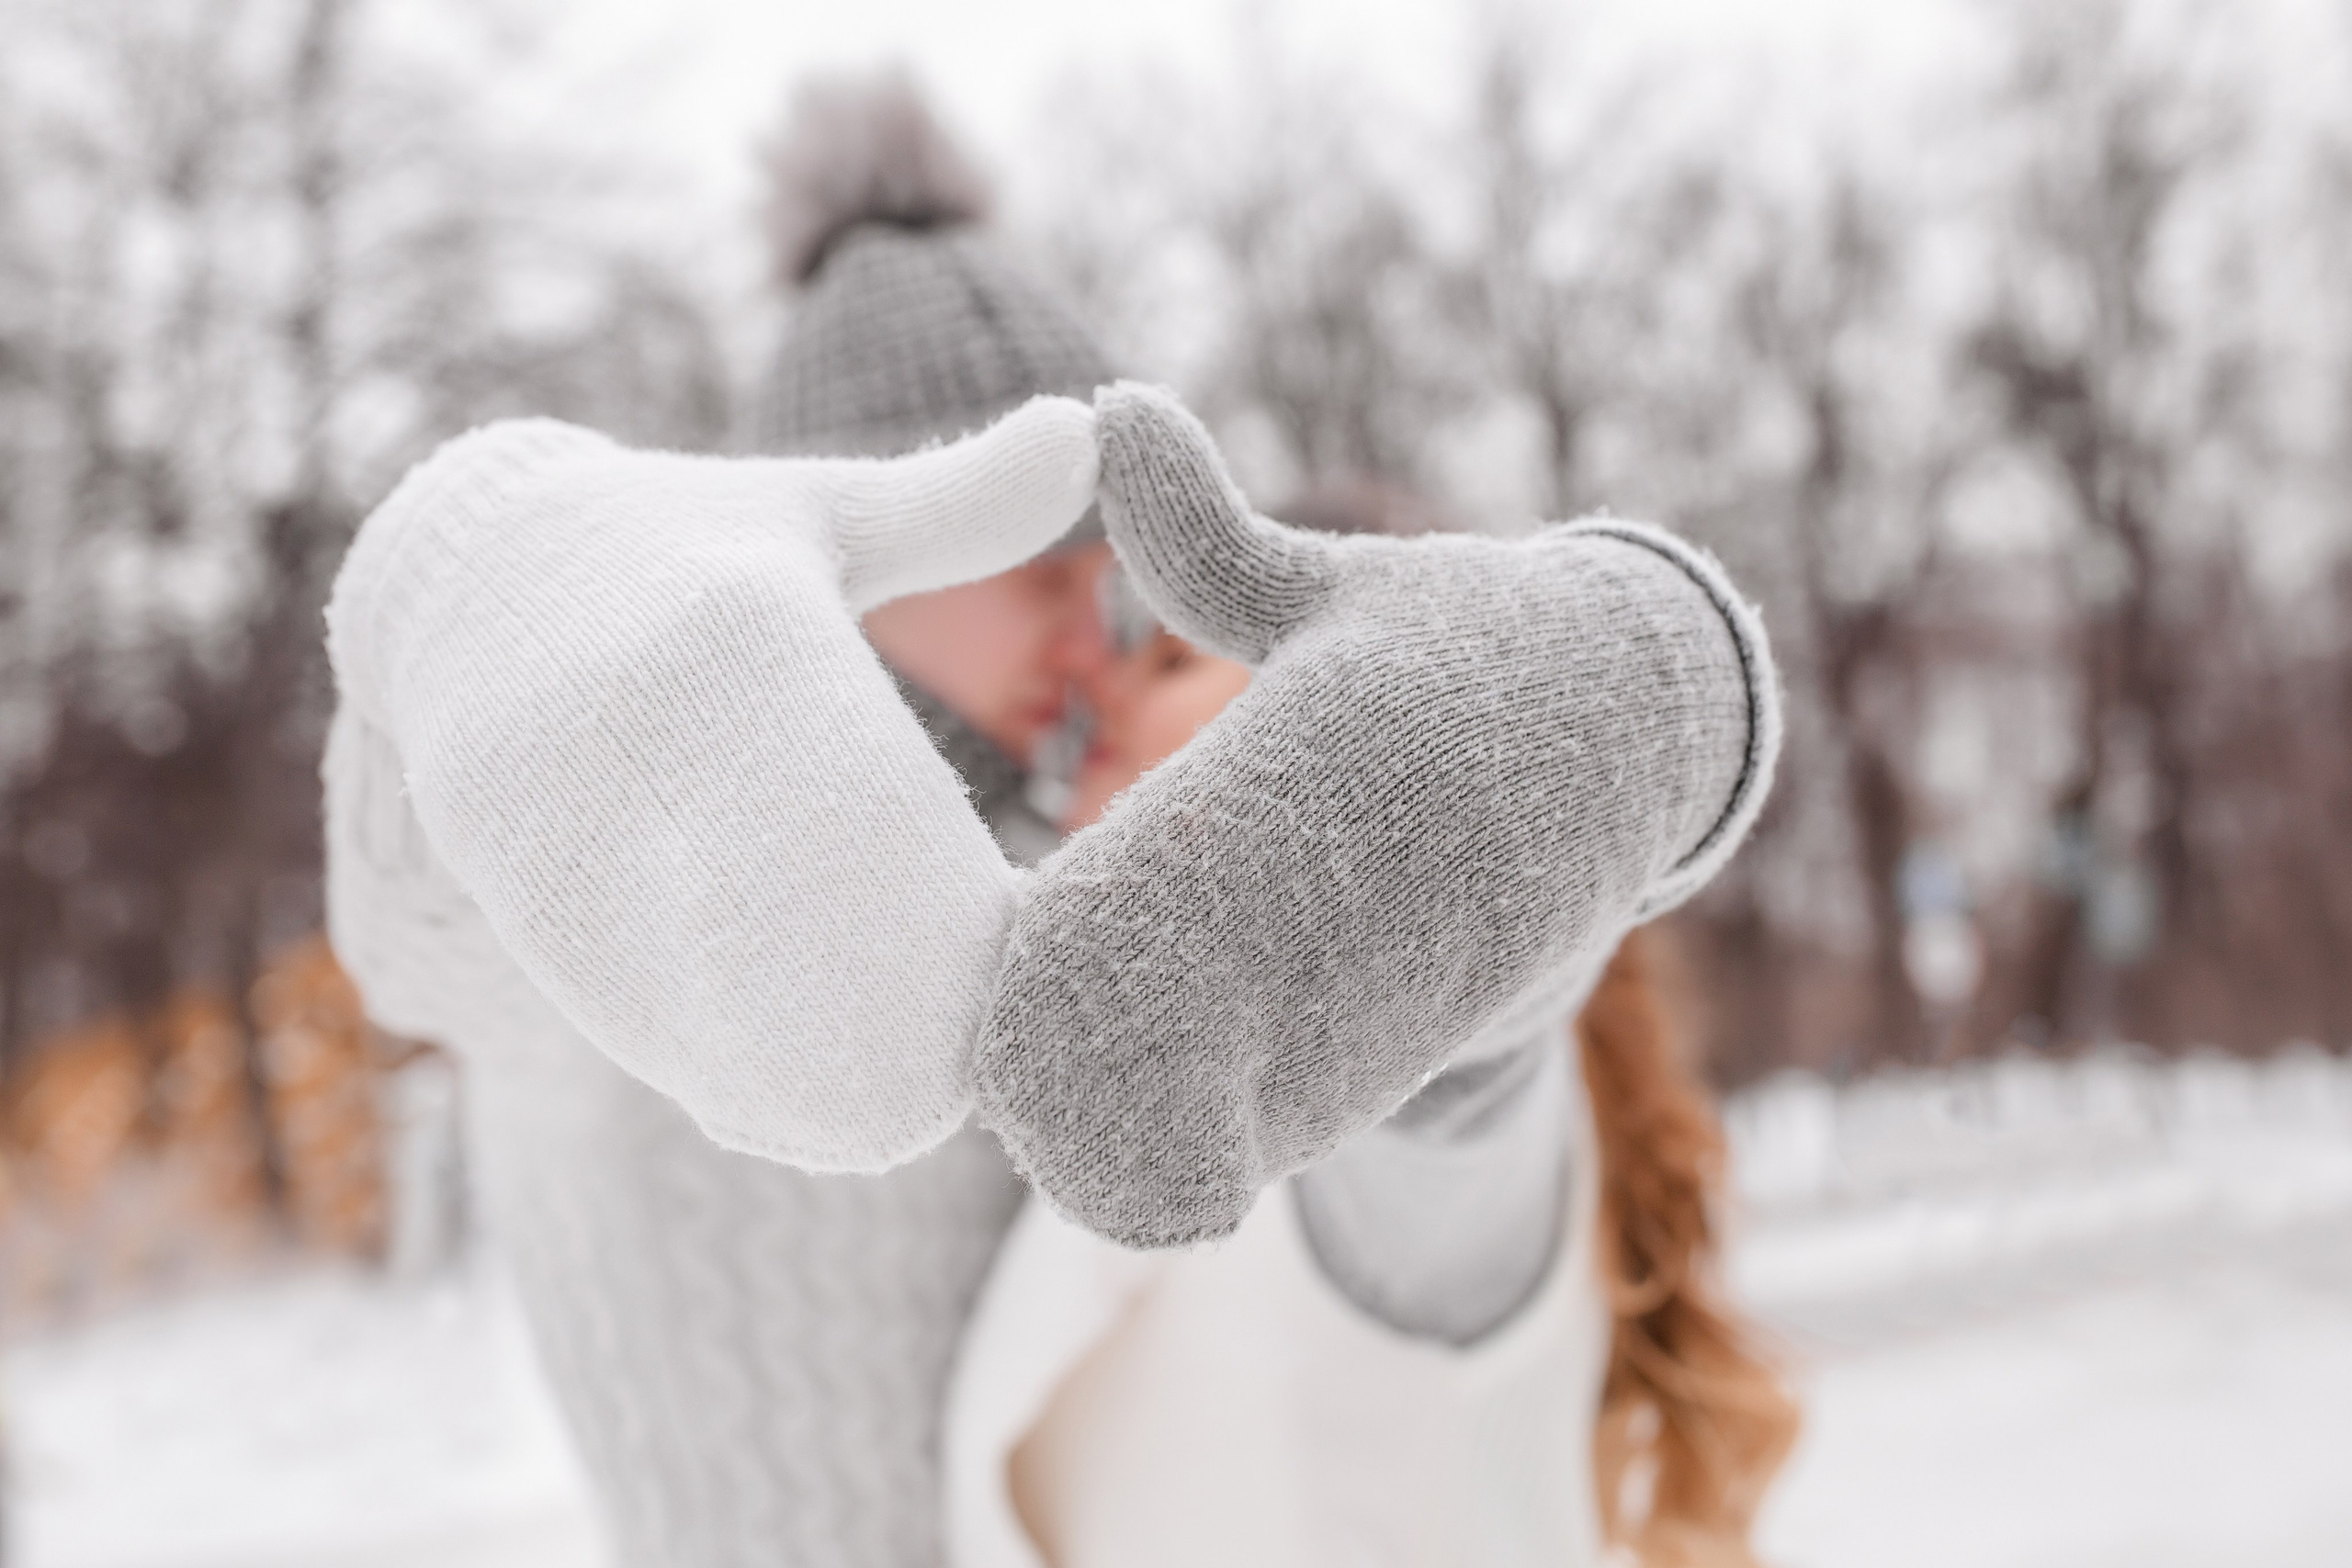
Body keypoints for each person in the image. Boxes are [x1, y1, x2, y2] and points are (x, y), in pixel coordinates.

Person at [322, 74, 1787, 1568]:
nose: (1093, 645)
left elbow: (1458, 1096)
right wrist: (444, 584)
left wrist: (1618, 700)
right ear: (874, 523)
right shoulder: (635, 878)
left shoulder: (1137, 970)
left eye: (1133, 610)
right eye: (1048, 568)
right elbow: (420, 940)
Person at [956, 487, 1796, 1568]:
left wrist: (1531, 747)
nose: (1103, 708)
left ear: (1368, 703)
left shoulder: (1413, 1110)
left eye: (1170, 663)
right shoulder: (1149, 1077)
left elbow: (1468, 1063)